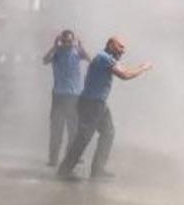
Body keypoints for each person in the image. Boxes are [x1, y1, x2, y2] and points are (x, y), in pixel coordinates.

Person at [57, 36, 152, 180]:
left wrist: (139, 67)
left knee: (108, 133)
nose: (123, 51)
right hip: (91, 104)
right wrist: (143, 68)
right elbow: (125, 75)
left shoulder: (108, 58)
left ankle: (97, 170)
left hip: (98, 103)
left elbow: (124, 69)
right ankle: (64, 171)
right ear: (110, 45)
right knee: (83, 138)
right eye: (120, 47)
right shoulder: (103, 58)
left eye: (123, 48)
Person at [42, 30, 90, 166]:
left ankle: (71, 157)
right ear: (61, 40)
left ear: (73, 41)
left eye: (69, 41)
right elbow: (44, 60)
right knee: (57, 129)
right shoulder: (57, 52)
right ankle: (53, 159)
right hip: (59, 96)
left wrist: (81, 47)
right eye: (64, 41)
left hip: (75, 96)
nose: (67, 44)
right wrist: (54, 46)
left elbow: (89, 60)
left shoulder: (77, 52)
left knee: (73, 130)